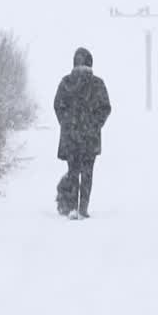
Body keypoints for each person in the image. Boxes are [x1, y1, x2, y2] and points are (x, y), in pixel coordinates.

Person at [54, 47, 111, 219]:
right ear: (90, 63)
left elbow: (58, 105)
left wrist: (66, 124)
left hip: (70, 138)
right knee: (87, 173)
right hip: (90, 138)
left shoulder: (66, 82)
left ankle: (71, 207)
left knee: (73, 171)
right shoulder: (98, 84)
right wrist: (94, 125)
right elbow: (106, 108)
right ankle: (83, 208)